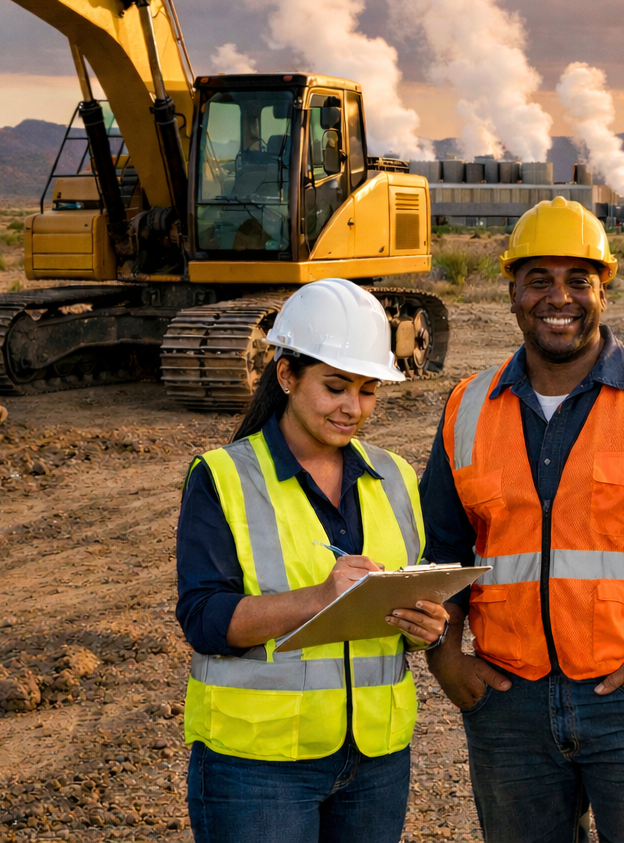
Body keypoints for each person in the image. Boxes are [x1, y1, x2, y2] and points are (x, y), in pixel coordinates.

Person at [418, 197, 624, 843]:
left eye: (579, 279)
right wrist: (446, 661)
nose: (559, 297)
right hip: (508, 710)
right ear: (511, 289)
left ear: (605, 288)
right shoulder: (467, 408)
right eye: (539, 279)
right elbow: (441, 551)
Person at [175, 278, 450, 843]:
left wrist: (426, 627)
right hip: (257, 765)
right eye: (335, 387)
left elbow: (406, 598)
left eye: (368, 390)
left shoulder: (394, 477)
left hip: (375, 760)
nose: (354, 408)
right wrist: (321, 599)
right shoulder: (224, 477)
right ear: (286, 376)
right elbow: (204, 619)